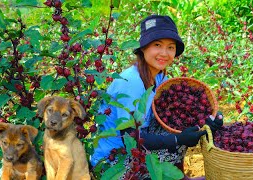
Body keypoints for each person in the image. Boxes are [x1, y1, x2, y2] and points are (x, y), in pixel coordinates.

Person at [90, 15, 223, 179]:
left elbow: (178, 111)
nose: (164, 53)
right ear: (143, 48)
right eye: (157, 45)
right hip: (114, 160)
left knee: (179, 127)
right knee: (176, 141)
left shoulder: (159, 77)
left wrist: (210, 119)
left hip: (137, 141)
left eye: (170, 47)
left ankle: (176, 176)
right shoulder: (131, 81)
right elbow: (131, 138)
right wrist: (177, 139)